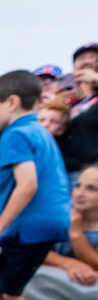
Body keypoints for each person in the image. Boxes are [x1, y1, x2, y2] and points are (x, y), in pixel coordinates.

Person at [0, 70, 70, 300]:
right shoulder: (38, 130)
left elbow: (28, 185)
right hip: (50, 221)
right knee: (9, 291)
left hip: (29, 226)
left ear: (12, 102)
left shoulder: (15, 133)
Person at [43, 164, 98, 286]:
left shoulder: (73, 223)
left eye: (91, 188)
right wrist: (68, 263)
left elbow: (95, 265)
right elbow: (35, 250)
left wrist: (76, 234)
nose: (79, 193)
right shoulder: (61, 214)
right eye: (78, 186)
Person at [56, 42, 98, 190]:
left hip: (92, 175)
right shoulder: (69, 102)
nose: (87, 61)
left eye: (93, 57)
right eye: (81, 58)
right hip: (63, 176)